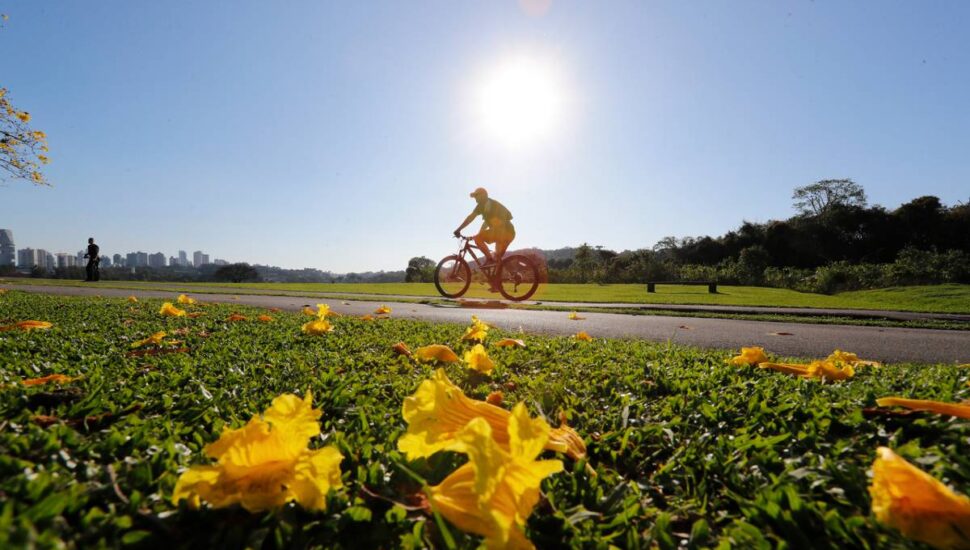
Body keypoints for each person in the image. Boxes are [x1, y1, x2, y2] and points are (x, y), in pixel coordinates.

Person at [453, 187, 516, 267]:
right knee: (497, 259)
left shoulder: (490, 204)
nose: (475, 198)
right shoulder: (484, 206)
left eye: (476, 195)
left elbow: (471, 218)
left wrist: (460, 230)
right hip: (508, 233)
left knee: (488, 253)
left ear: (484, 195)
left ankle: (490, 260)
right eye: (474, 196)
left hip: (505, 232)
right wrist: (478, 236)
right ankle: (504, 276)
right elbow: (483, 223)